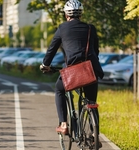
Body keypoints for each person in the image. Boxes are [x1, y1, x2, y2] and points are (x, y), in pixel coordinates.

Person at [40, 0, 104, 138]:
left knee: (59, 89)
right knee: (91, 101)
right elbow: (96, 50)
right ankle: (94, 134)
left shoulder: (62, 28)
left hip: (73, 72)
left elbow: (52, 50)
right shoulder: (90, 28)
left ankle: (63, 124)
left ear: (66, 14)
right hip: (90, 71)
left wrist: (45, 65)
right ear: (81, 14)